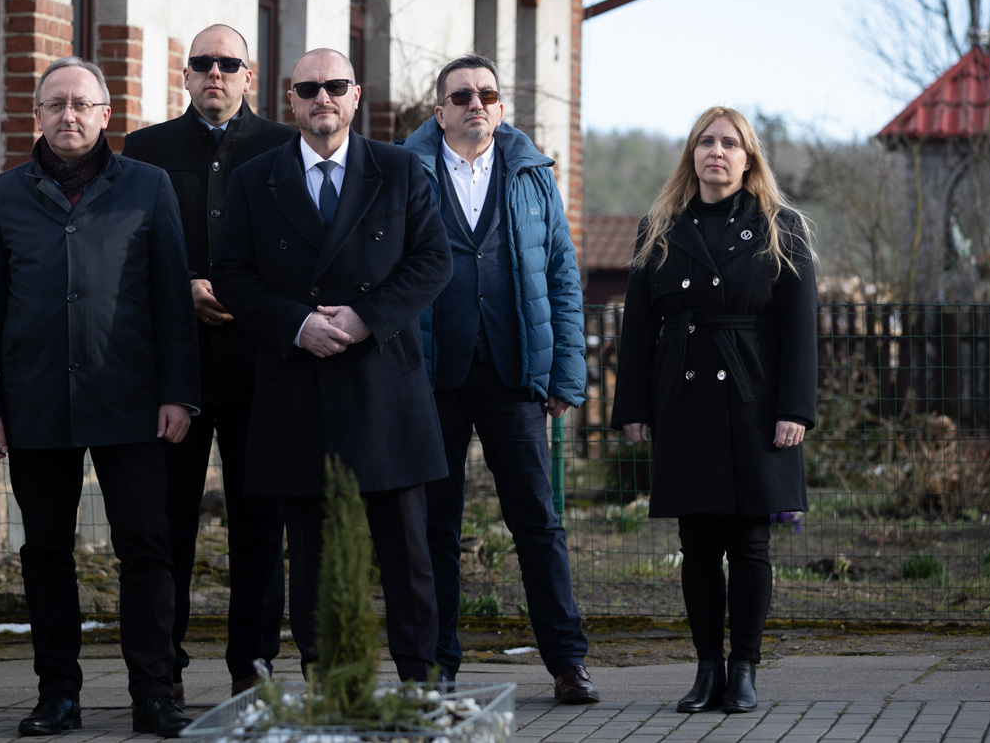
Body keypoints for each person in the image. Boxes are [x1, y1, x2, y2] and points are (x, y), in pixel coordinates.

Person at [0, 56, 199, 738]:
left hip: (131, 401)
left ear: (105, 115)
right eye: (56, 104)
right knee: (45, 552)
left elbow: (172, 303)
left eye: (81, 104)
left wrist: (179, 394)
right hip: (34, 401)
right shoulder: (3, 195)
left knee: (146, 547)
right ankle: (57, 695)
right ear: (37, 114)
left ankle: (153, 693)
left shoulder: (148, 187)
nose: (69, 115)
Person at [210, 47, 452, 682]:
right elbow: (231, 274)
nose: (323, 98)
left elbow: (433, 260)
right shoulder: (255, 178)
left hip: (384, 385)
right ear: (290, 100)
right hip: (298, 388)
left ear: (355, 95)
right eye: (309, 88)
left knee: (407, 552)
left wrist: (365, 318)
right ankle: (328, 681)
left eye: (335, 86)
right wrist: (298, 325)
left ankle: (418, 680)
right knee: (315, 555)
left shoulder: (399, 169)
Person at [399, 55, 598, 704]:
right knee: (435, 527)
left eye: (487, 94)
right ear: (440, 112)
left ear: (501, 108)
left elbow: (562, 274)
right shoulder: (405, 171)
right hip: (433, 377)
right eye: (461, 96)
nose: (475, 104)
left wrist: (566, 372)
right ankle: (437, 667)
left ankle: (568, 661)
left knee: (538, 521)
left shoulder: (532, 174)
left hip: (515, 375)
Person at [610, 106, 817, 714]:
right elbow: (638, 327)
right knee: (697, 543)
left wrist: (795, 409)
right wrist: (634, 404)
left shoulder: (781, 227)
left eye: (729, 143)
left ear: (748, 158)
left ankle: (744, 669)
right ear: (692, 155)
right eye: (706, 142)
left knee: (750, 543)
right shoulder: (659, 227)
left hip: (756, 401)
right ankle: (707, 670)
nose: (716, 152)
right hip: (685, 399)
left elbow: (801, 330)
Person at [121, 25, 290, 702]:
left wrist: (250, 296)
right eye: (202, 63)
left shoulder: (283, 147)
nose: (214, 73)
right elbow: (127, 249)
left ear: (250, 75)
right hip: (175, 369)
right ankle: (161, 667)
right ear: (185, 75)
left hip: (261, 368)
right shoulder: (146, 150)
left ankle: (253, 662)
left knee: (260, 523)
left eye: (228, 63)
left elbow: (300, 247)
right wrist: (183, 286)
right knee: (166, 525)